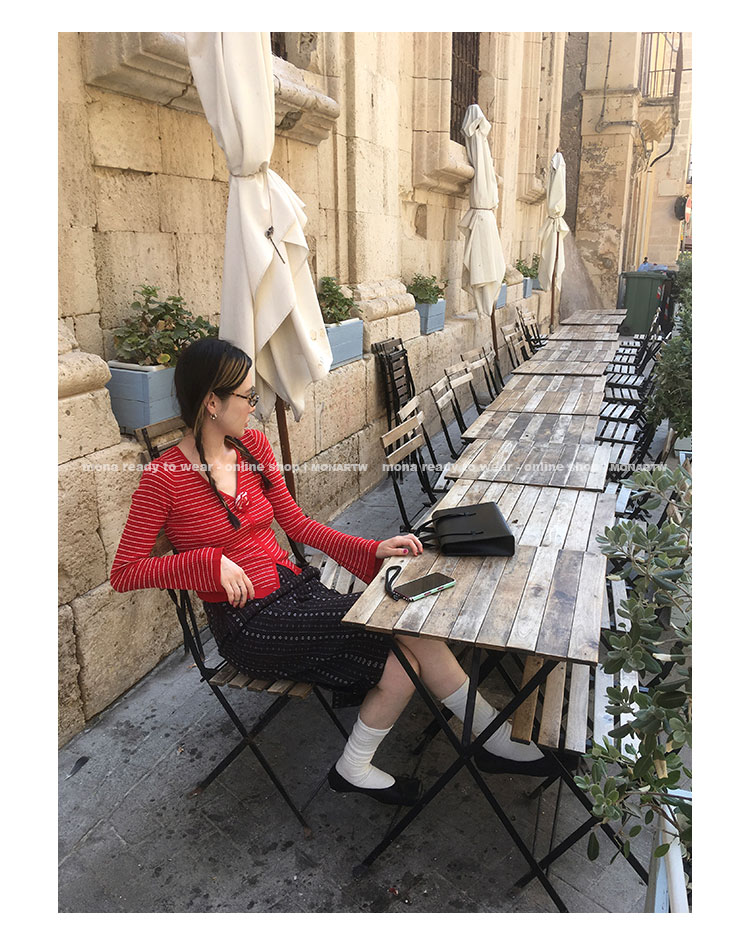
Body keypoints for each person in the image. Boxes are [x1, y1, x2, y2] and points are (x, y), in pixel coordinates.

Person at [111, 338, 553, 808]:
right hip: (250, 624)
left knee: (402, 657)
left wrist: (371, 548)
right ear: (212, 403)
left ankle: (356, 767)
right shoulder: (163, 478)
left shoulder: (253, 448)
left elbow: (297, 523)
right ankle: (492, 739)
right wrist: (207, 562)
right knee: (407, 628)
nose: (255, 407)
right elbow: (125, 572)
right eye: (248, 396)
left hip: (298, 592)